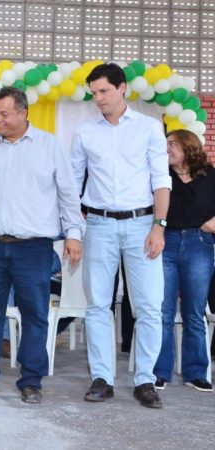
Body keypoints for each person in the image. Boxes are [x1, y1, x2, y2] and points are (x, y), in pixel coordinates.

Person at [0, 86, 84, 404]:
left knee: (34, 313)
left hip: (33, 247)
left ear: (24, 113)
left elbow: (67, 193)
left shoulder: (49, 147)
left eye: (4, 114)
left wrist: (74, 233)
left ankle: (31, 381)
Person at [71, 63, 171, 409]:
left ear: (122, 88)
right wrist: (73, 229)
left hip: (142, 225)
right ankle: (102, 378)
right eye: (94, 93)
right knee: (98, 304)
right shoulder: (85, 132)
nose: (98, 99)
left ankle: (144, 379)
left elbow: (161, 180)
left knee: (148, 306)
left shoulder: (148, 128)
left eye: (104, 91)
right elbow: (72, 183)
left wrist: (160, 225)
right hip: (97, 225)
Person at [152, 129, 214, 392]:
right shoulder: (160, 177)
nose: (168, 149)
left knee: (194, 311)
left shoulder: (210, 175)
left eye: (173, 144)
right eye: (166, 145)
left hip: (200, 243)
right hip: (166, 242)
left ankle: (196, 372)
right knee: (163, 311)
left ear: (189, 147)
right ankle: (160, 372)